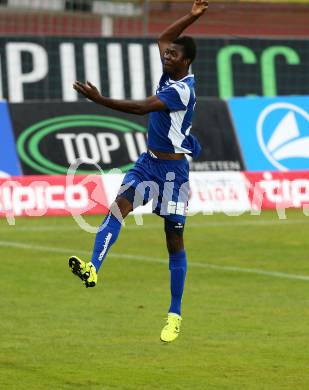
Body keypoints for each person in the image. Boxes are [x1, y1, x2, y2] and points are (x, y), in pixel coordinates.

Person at [69, 0, 208, 343]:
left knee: (173, 241)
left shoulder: (182, 89)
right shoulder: (170, 71)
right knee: (120, 205)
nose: (167, 56)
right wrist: (190, 17)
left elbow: (139, 107)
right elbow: (164, 37)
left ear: (186, 62)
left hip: (174, 174)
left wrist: (99, 100)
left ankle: (175, 314)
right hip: (148, 163)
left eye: (174, 55)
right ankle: (93, 268)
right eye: (168, 54)